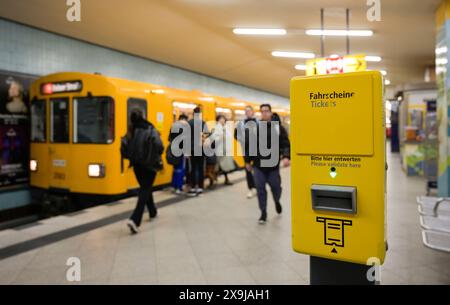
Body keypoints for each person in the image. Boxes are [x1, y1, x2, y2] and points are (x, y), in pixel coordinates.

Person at [121, 109, 164, 234]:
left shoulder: (130, 131)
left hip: (136, 166)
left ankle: (152, 211)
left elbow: (123, 147)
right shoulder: (150, 129)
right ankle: (135, 219)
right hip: (150, 165)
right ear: (143, 116)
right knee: (145, 189)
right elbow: (159, 146)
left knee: (145, 187)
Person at [246, 104, 290, 224]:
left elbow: (285, 143)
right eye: (262, 111)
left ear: (270, 113)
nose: (264, 113)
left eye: (266, 111)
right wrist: (247, 161)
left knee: (276, 187)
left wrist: (286, 156)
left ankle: (277, 201)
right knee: (260, 189)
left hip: (273, 166)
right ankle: (263, 213)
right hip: (258, 165)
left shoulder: (278, 128)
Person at [235, 106, 258, 199]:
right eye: (246, 111)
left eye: (249, 111)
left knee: (257, 170)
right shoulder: (241, 124)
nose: (247, 112)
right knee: (248, 170)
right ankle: (251, 188)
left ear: (253, 112)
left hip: (258, 151)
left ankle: (257, 186)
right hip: (246, 150)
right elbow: (236, 134)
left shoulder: (258, 123)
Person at [208, 114, 235, 186]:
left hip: (226, 151)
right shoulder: (215, 128)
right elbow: (212, 139)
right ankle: (212, 182)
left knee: (225, 167)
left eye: (223, 119)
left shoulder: (227, 128)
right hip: (218, 151)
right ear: (218, 120)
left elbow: (230, 138)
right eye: (221, 119)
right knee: (216, 167)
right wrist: (219, 138)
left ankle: (226, 180)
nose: (222, 120)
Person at [187, 107, 209, 196]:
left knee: (192, 168)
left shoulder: (189, 123)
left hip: (192, 149)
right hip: (201, 149)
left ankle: (192, 187)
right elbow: (207, 136)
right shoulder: (203, 123)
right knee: (200, 168)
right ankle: (200, 187)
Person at [168, 114, 189, 195]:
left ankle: (174, 186)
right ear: (183, 120)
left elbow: (169, 138)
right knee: (181, 169)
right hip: (181, 152)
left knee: (175, 169)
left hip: (174, 151)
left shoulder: (173, 127)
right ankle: (179, 187)